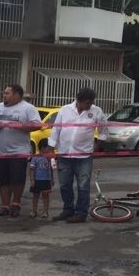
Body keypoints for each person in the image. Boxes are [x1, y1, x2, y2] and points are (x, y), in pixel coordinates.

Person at [47, 87, 108, 223]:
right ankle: (68, 210)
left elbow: (104, 130)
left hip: (84, 156)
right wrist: (50, 148)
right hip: (64, 154)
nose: (89, 105)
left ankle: (81, 213)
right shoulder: (64, 110)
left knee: (83, 186)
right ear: (78, 101)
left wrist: (98, 146)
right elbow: (56, 129)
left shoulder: (96, 111)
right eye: (87, 103)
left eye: (91, 103)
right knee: (64, 185)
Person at [0, 84, 42, 217]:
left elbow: (37, 125)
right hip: (0, 151)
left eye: (7, 93)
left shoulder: (28, 108)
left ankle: (16, 204)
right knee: (2, 180)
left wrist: (21, 126)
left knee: (17, 179)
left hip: (19, 151)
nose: (4, 95)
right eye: (4, 93)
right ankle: (5, 205)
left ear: (17, 94)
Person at [28, 140, 55, 219]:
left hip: (46, 180)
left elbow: (52, 169)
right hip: (37, 180)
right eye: (48, 148)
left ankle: (45, 211)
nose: (50, 150)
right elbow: (31, 169)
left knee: (46, 196)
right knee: (35, 196)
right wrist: (32, 180)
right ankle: (34, 211)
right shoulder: (35, 158)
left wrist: (52, 179)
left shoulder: (50, 158)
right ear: (43, 148)